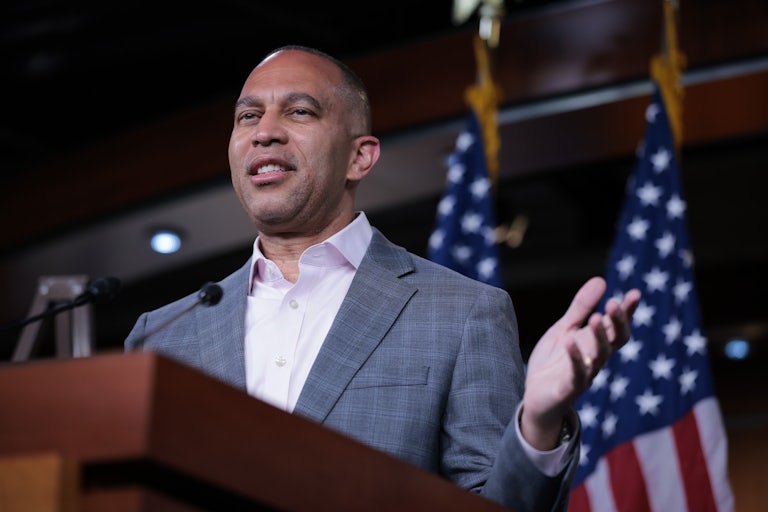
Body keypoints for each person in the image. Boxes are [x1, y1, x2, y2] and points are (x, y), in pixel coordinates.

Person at [125, 45, 641, 511]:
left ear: (360, 156)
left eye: (299, 111)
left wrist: (538, 424)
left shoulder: (461, 314)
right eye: (248, 116)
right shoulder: (165, 333)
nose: (265, 130)